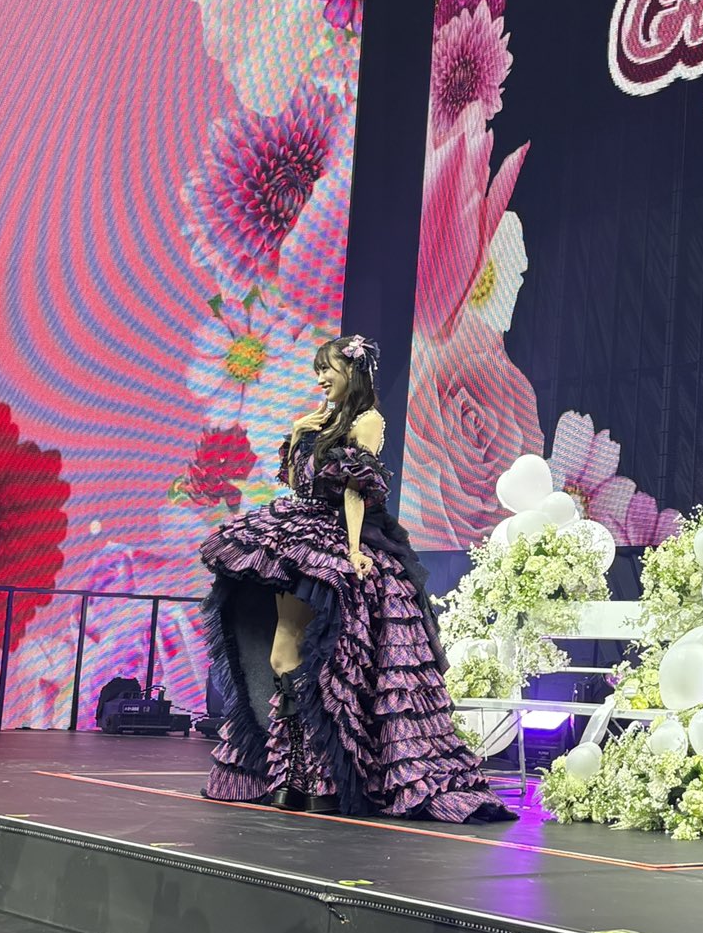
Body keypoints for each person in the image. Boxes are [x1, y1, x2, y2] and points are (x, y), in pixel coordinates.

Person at [199, 333, 511, 822]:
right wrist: (299, 431)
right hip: (297, 534)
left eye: (329, 369)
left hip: (330, 540)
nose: (321, 378)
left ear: (353, 371)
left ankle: (315, 779)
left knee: (313, 661)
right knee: (284, 656)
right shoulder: (318, 421)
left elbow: (354, 491)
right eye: (318, 370)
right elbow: (298, 482)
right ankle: (297, 776)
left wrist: (351, 551)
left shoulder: (368, 420)